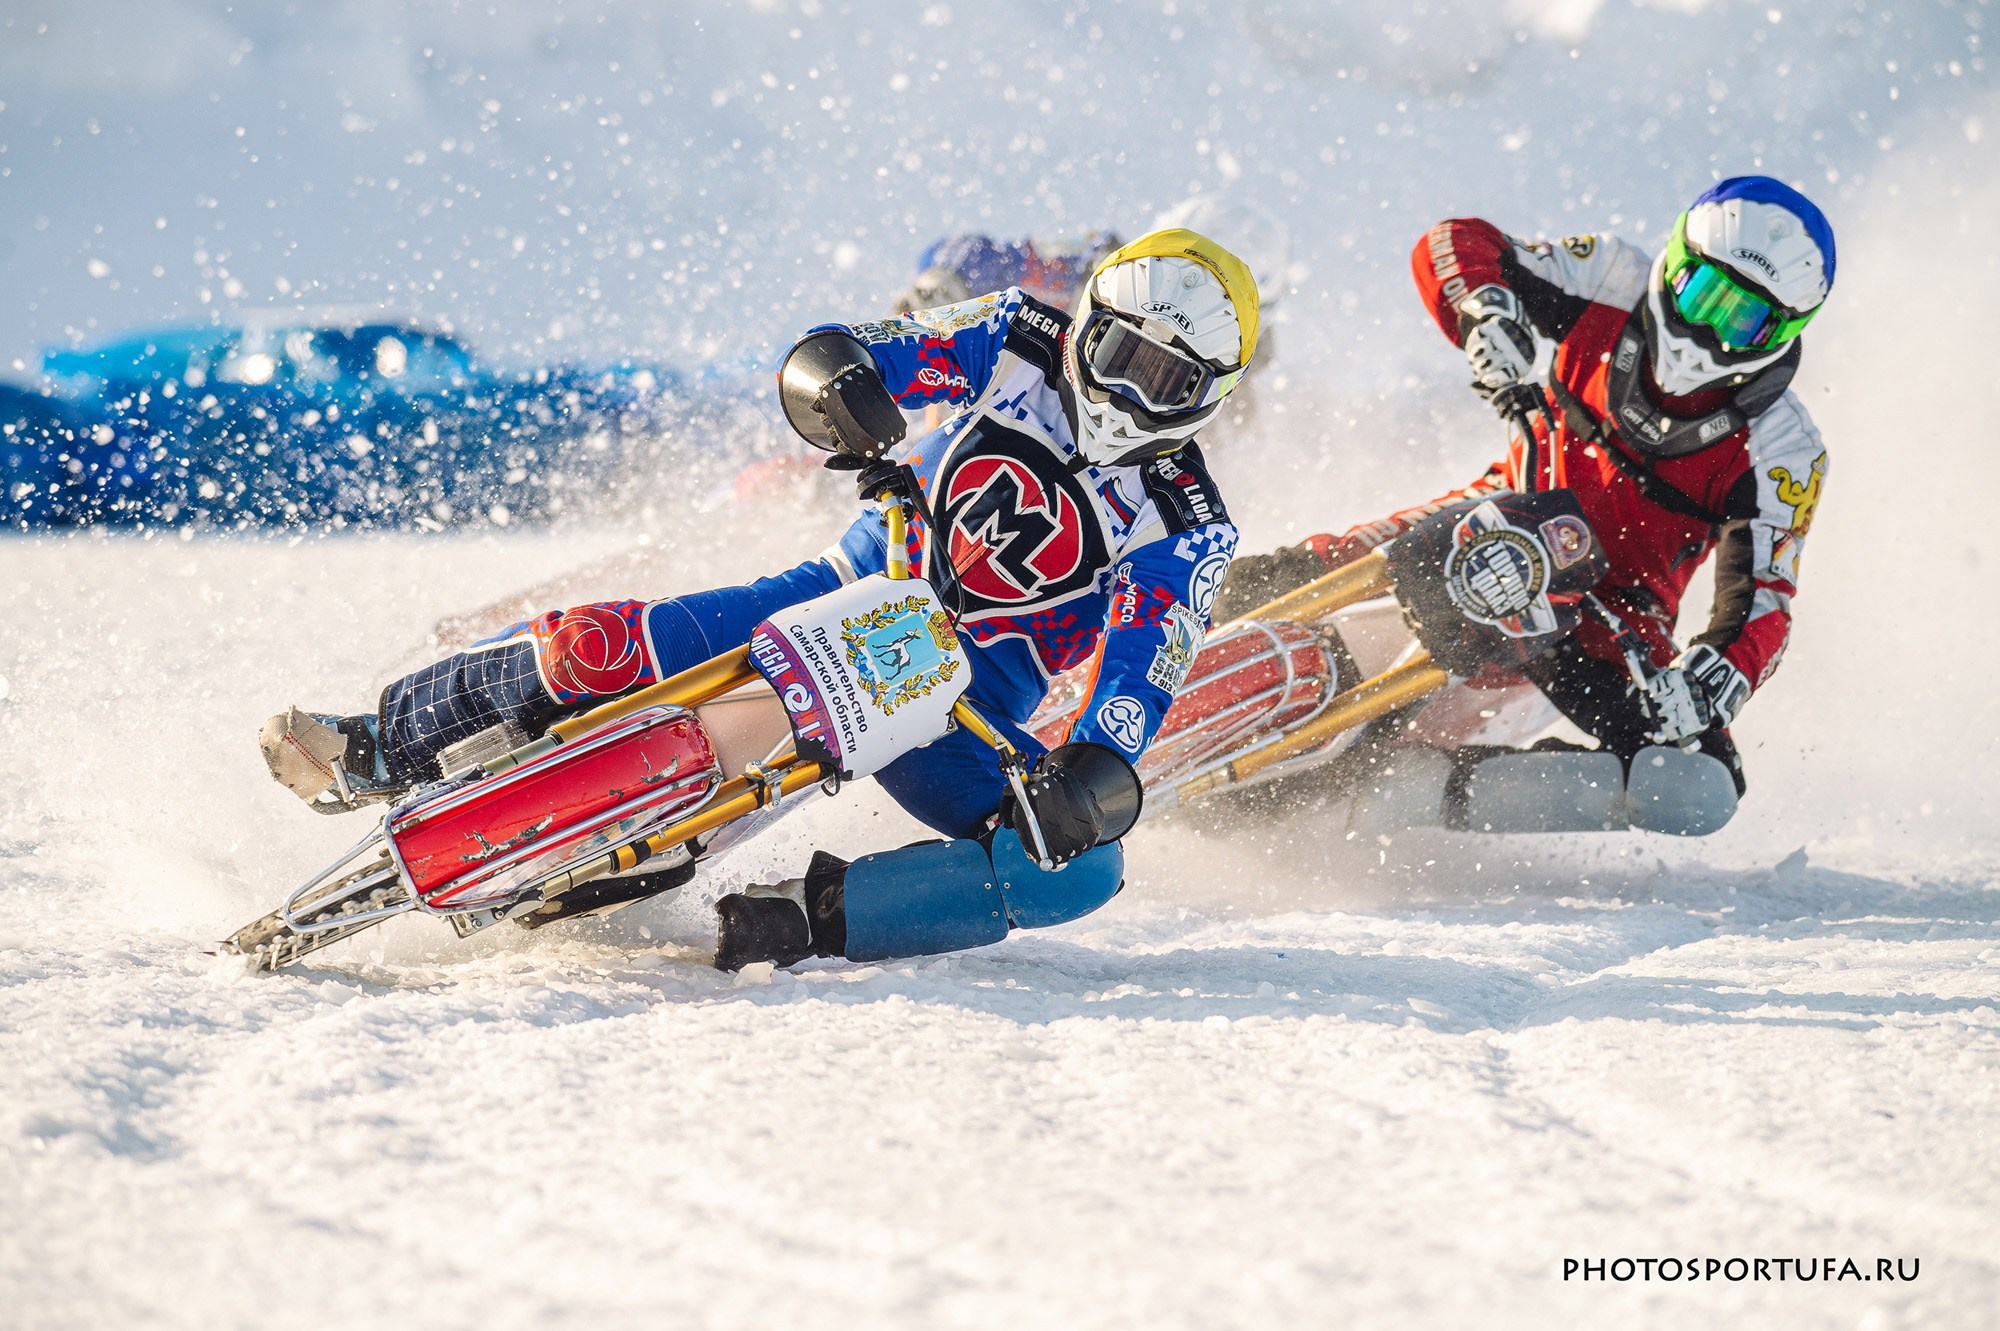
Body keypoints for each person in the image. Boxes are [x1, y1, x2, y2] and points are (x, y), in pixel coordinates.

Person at [261, 228, 1261, 968]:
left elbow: (1136, 685)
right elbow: (845, 350)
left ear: (1210, 395)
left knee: (1079, 869)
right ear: (1086, 326)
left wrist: (1090, 776)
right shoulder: (1015, 333)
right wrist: (847, 387)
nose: (1130, 393)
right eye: (1121, 356)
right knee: (600, 643)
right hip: (839, 589)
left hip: (959, 706)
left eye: (1166, 382)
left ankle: (803, 918)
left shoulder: (1188, 523)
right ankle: (378, 742)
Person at [1214, 176, 1834, 809]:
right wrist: (1487, 309)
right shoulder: (1609, 278)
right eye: (1703, 295)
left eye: (1744, 320)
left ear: (1783, 331)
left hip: (1613, 610)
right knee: (1289, 572)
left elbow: (1764, 597)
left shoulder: (1783, 449)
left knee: (1695, 779)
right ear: (1675, 266)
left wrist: (1713, 677)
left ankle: (1428, 789)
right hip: (1495, 511)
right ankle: (1148, 654)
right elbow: (1453, 242)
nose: (1709, 332)